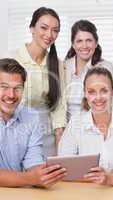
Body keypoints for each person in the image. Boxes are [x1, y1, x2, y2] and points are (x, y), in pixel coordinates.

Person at [0, 58, 66, 188]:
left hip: (17, 194)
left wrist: (44, 176)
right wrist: (33, 179)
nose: (11, 95)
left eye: (17, 88)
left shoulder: (32, 117)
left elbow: (33, 161)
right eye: (4, 87)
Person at [59, 67, 113, 186]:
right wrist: (95, 178)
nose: (98, 97)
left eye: (104, 91)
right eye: (91, 92)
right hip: (86, 193)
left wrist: (109, 179)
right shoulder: (75, 123)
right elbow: (64, 170)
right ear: (85, 94)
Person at [8, 7, 66, 156]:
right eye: (44, 28)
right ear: (32, 28)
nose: (49, 35)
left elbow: (58, 107)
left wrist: (60, 148)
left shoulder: (57, 63)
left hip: (46, 135)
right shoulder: (13, 58)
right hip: (14, 131)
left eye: (55, 30)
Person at [64, 19, 113, 121]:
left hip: (93, 125)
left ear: (96, 43)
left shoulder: (106, 68)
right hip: (67, 127)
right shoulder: (64, 67)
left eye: (89, 40)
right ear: (73, 44)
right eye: (79, 41)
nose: (84, 46)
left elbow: (110, 105)